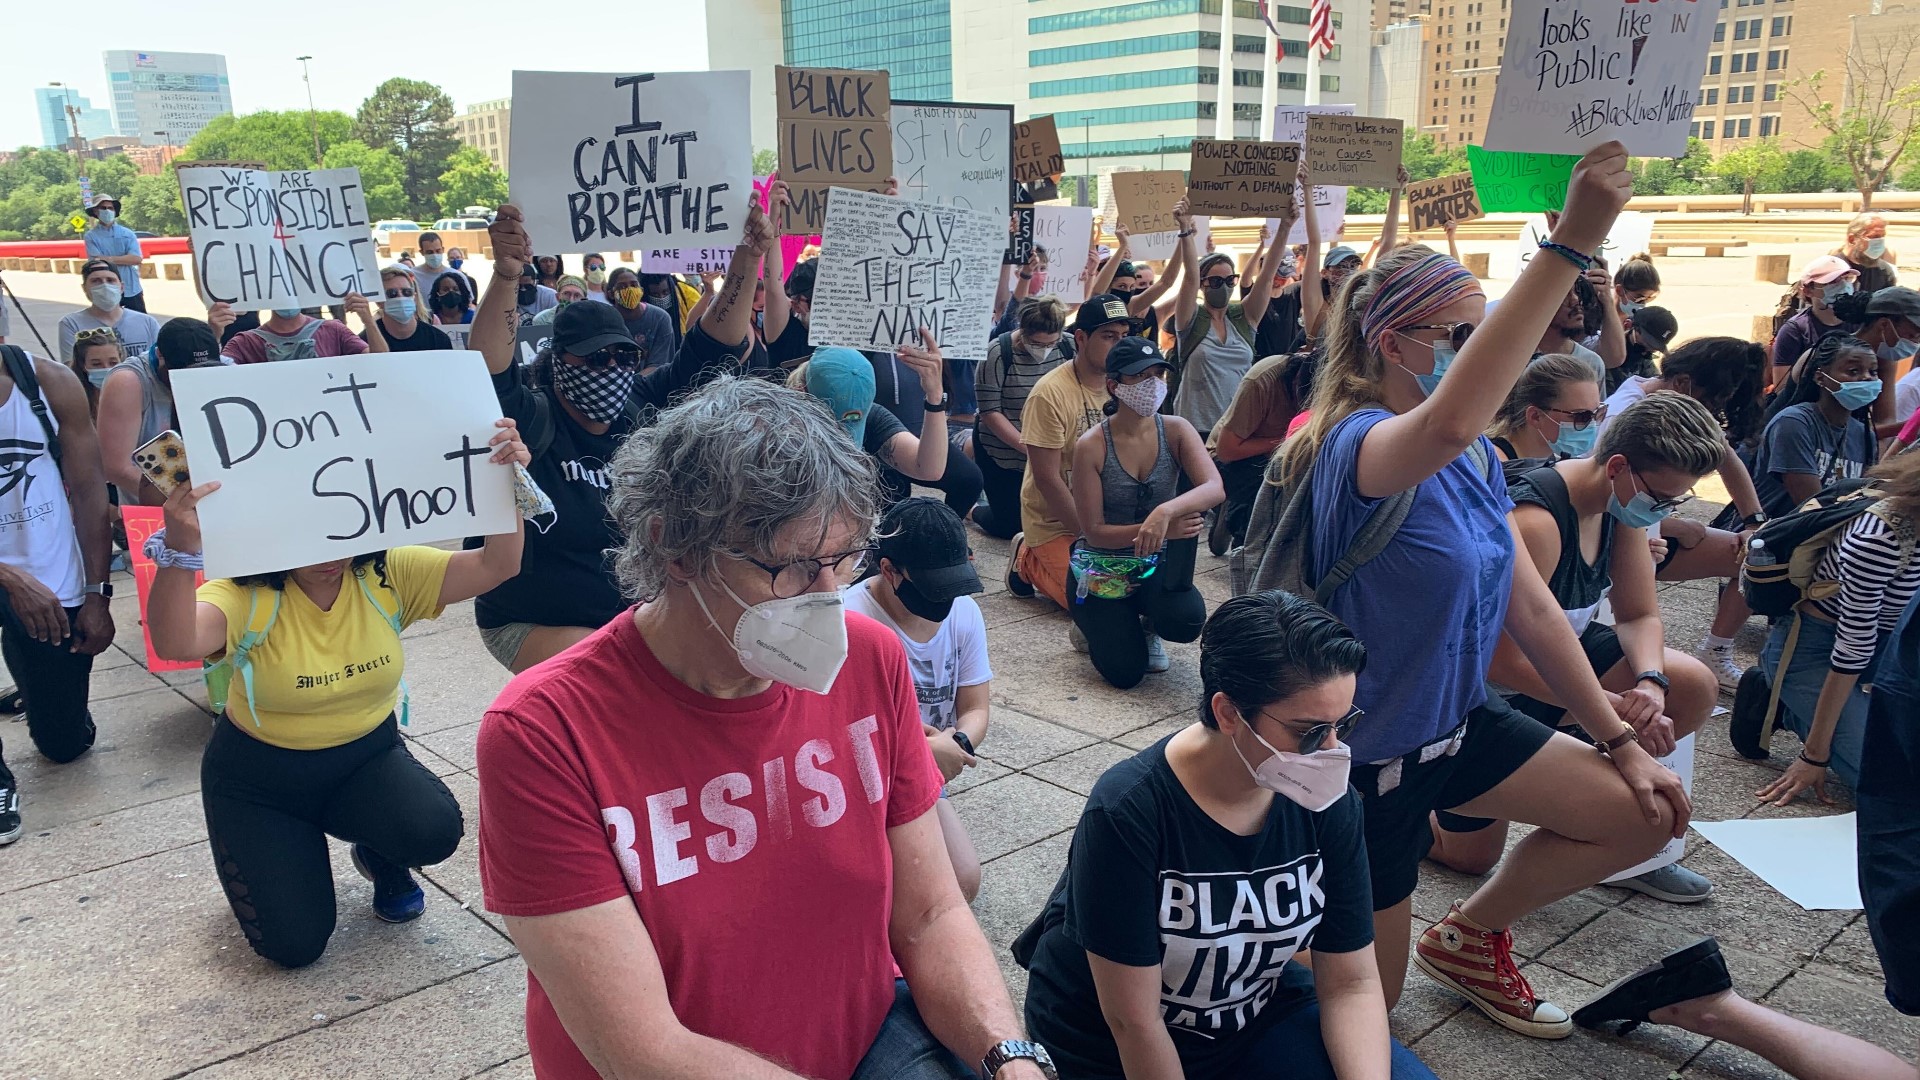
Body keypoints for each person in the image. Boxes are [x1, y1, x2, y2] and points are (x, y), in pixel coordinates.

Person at [475, 375, 1054, 1080]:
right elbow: (642, 1049)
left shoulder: (871, 662)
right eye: (790, 569)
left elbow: (931, 912)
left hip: (865, 1038)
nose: (826, 597)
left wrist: (1012, 1057)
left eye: (843, 562)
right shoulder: (544, 733)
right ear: (675, 547)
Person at [1245, 143, 1691, 1038]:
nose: (1476, 355)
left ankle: (1472, 935)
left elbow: (1528, 604)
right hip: (1360, 768)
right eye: (1460, 337)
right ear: (1390, 340)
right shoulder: (1351, 442)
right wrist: (1571, 242)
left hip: (1456, 731)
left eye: (1478, 332)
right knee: (1370, 1009)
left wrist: (1618, 739)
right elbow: (1447, 420)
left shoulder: (1480, 462)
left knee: (1645, 812)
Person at [145, 422, 528, 965]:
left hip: (363, 759)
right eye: (309, 534)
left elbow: (498, 564)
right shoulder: (245, 594)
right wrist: (181, 551)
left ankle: (378, 849)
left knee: (431, 828)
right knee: (293, 948)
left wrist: (504, 480)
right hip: (259, 779)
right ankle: (285, 850)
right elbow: (176, 639)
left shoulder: (387, 573)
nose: (330, 553)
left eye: (342, 531)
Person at [1017, 591, 1439, 1080]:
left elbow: (1351, 983)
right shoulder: (1128, 810)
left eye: (1342, 723)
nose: (1332, 750)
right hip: (1107, 1044)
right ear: (1228, 713)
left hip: (1252, 1017)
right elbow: (1134, 1021)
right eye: (1308, 731)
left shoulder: (1326, 801)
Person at [1429, 390, 1727, 905]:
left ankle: (1606, 825)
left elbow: (1639, 613)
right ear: (1617, 467)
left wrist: (1650, 683)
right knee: (1470, 858)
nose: (1665, 510)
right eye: (1663, 497)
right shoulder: (1538, 520)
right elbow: (1498, 659)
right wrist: (1605, 712)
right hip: (1486, 685)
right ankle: (1414, 800)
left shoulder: (1621, 507)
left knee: (1691, 684)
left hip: (1554, 666)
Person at [463, 201, 771, 673]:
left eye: (623, 358)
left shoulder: (643, 407)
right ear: (560, 361)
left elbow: (714, 348)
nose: (611, 369)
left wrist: (748, 258)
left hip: (636, 620)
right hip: (531, 619)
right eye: (594, 359)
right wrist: (507, 275)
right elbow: (488, 368)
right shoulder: (529, 415)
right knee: (621, 677)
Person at [1736, 451, 1920, 799]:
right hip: (1816, 649)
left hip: (1890, 648)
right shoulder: (1879, 537)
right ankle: (1778, 702)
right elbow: (1852, 649)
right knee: (1892, 787)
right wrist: (1814, 756)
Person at [1598, 336, 1772, 691]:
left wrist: (1754, 522)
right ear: (1682, 385)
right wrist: (1675, 526)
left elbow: (1727, 459)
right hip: (1616, 539)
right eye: (1714, 405)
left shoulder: (1680, 404)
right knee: (1638, 623)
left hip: (1651, 530)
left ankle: (1715, 650)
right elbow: (1604, 502)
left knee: (1756, 555)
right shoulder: (1622, 415)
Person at [841, 497, 991, 901]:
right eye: (932, 589)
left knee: (962, 880)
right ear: (889, 570)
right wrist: (921, 755)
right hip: (864, 771)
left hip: (927, 762)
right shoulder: (849, 621)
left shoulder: (963, 613)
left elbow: (976, 707)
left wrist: (954, 745)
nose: (944, 601)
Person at [0, 341, 115, 846]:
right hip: (11, 574)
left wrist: (96, 595)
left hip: (50, 574)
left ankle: (29, 674)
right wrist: (7, 577)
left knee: (65, 745)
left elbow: (91, 491)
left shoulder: (48, 383)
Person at [1065, 337, 1221, 687]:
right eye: (1140, 377)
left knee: (1187, 620)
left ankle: (1148, 623)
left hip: (1157, 563)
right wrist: (1158, 528)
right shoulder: (1092, 445)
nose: (1153, 384)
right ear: (1114, 385)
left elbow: (1213, 487)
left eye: (1158, 374)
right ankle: (1091, 625)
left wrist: (1165, 511)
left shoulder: (1176, 430)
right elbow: (1094, 531)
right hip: (1103, 565)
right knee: (1125, 674)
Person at [1009, 295, 1137, 608]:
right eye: (1108, 337)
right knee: (1095, 602)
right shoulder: (1050, 393)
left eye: (1124, 337)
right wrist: (1093, 536)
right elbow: (1047, 479)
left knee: (1137, 592)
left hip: (1108, 516)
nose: (1118, 346)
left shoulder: (1130, 383)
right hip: (1056, 520)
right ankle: (1027, 559)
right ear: (1080, 338)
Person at [1168, 199, 1290, 438]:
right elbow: (1190, 278)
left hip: (1236, 431)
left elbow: (1266, 277)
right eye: (1214, 281)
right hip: (1195, 431)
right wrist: (1185, 231)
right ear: (1203, 285)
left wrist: (1285, 226)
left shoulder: (1245, 318)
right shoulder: (1191, 321)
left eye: (1229, 280)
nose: (1223, 287)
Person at [801, 342, 949, 511]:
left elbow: (929, 469)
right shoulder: (784, 426)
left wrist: (935, 397)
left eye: (856, 420)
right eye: (835, 421)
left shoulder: (872, 416)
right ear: (803, 393)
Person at [1751, 334, 1882, 521]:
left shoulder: (1864, 435)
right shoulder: (1794, 423)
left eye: (1873, 372)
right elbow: (1812, 507)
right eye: (1853, 371)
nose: (1867, 378)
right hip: (1775, 536)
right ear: (1821, 378)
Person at [97, 318, 226, 507]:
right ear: (159, 355)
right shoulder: (129, 382)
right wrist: (184, 505)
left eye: (199, 376)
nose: (190, 385)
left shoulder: (225, 369)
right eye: (180, 376)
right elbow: (118, 468)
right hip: (154, 511)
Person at [973, 297, 1070, 539]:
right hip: (1004, 448)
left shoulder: (1069, 347)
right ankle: (973, 510)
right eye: (1037, 343)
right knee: (1010, 526)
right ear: (1023, 332)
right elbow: (990, 412)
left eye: (1052, 343)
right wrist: (1030, 447)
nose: (1045, 349)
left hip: (1053, 445)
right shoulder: (998, 353)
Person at [1209, 348, 1317, 550]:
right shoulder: (1262, 380)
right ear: (1295, 382)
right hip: (1237, 457)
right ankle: (1238, 524)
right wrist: (1289, 439)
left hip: (1288, 452)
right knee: (1257, 507)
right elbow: (1227, 450)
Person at [1486, 353, 1606, 462]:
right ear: (1535, 416)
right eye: (1581, 416)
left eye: (1598, 413)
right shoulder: (1494, 467)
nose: (1591, 425)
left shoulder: (1558, 462)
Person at [213, 293, 384, 363]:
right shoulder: (245, 343)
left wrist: (368, 321)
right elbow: (213, 378)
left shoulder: (334, 331)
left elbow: (380, 363)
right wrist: (214, 335)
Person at [1771, 256, 1863, 381]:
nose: (1843, 286)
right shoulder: (1794, 331)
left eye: (1847, 279)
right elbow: (1781, 387)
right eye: (1832, 282)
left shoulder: (1861, 324)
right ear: (1808, 291)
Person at [57, 259, 161, 365]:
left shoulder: (147, 323)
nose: (104, 286)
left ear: (121, 287)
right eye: (96, 281)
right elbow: (71, 368)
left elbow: (161, 362)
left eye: (110, 280)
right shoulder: (71, 324)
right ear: (84, 288)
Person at [1535, 272, 1616, 379]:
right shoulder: (1517, 357)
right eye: (1564, 293)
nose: (1575, 300)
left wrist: (1607, 299)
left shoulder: (1591, 362)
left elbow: (1616, 356)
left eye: (1577, 292)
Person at [602, 267, 676, 372]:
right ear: (611, 293)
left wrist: (632, 384)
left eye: (634, 285)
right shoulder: (605, 320)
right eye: (622, 287)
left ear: (641, 290)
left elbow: (659, 364)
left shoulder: (660, 318)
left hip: (651, 383)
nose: (629, 290)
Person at [81, 194, 146, 313]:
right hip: (106, 289)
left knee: (139, 322)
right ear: (96, 211)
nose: (107, 211)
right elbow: (97, 262)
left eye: (110, 208)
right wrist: (123, 258)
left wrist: (108, 259)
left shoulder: (127, 233)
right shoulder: (91, 236)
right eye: (103, 208)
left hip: (131, 288)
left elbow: (136, 259)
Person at [368, 265, 453, 353]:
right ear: (378, 302)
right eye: (392, 293)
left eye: (407, 292)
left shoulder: (439, 340)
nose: (401, 297)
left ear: (415, 298)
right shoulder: (367, 341)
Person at [1609, 304, 1676, 395]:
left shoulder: (1645, 362)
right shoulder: (1603, 354)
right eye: (1642, 346)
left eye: (1652, 350)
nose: (1645, 353)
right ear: (1628, 326)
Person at [1836, 212, 1898, 294]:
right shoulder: (1831, 270)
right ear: (1852, 239)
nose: (1880, 242)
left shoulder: (1884, 271)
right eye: (1875, 237)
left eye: (1882, 236)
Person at [69, 327, 123, 410]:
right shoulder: (71, 401)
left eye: (113, 363)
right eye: (97, 364)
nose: (106, 368)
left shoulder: (137, 395)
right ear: (82, 365)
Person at [639, 271, 701, 340]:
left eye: (665, 292)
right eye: (655, 294)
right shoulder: (638, 302)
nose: (661, 297)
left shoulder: (687, 293)